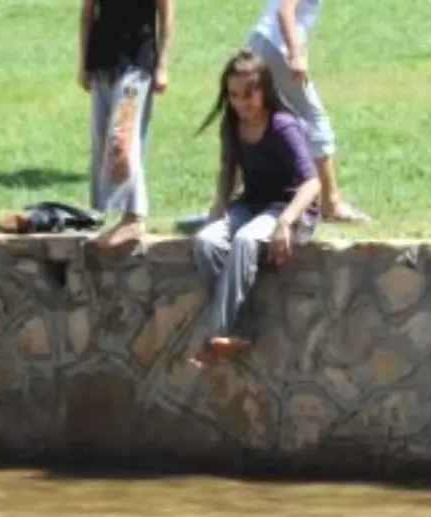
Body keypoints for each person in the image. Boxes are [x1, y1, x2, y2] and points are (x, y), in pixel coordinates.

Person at [191, 49, 321, 368]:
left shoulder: (282, 126)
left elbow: (313, 183)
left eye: (248, 95)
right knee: (206, 242)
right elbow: (228, 168)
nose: (240, 103)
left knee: (246, 241)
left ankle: (214, 338)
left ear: (264, 90)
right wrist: (219, 202)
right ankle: (241, 330)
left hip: (291, 210)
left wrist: (285, 223)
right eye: (233, 95)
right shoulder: (232, 125)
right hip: (253, 205)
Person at [244, 0, 368, 223]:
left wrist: (300, 50)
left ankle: (246, 198)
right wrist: (295, 55)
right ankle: (330, 203)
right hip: (275, 46)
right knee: (314, 118)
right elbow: (285, 13)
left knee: (263, 119)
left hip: (262, 42)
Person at [78, 0, 175, 249]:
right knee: (102, 140)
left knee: (122, 136)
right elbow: (87, 13)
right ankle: (115, 211)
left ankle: (134, 217)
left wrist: (163, 65)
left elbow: (166, 13)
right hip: (102, 61)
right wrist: (82, 64)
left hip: (137, 63)